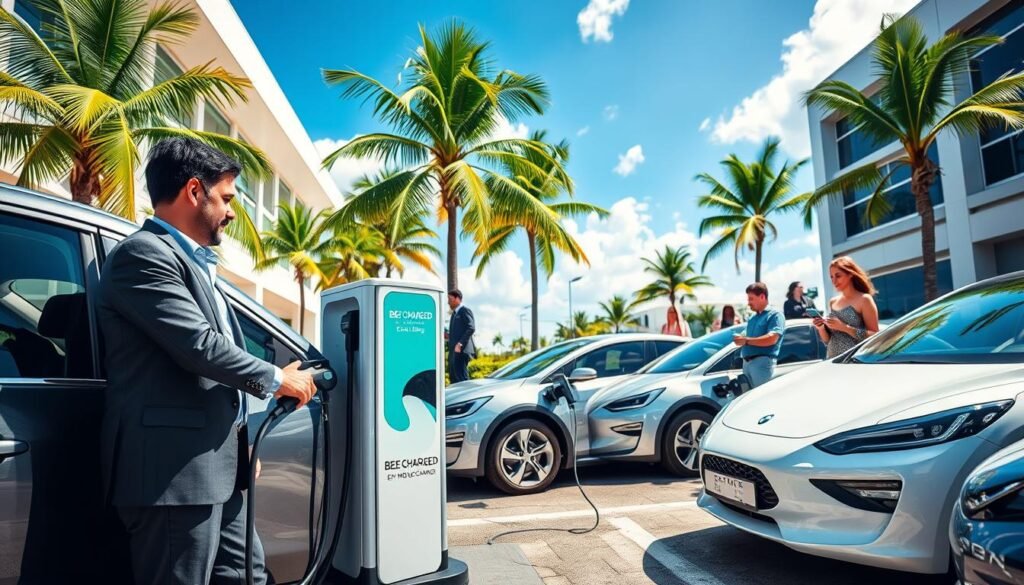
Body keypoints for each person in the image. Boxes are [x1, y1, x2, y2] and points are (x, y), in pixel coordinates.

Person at [98, 138, 316, 584]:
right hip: (173, 479)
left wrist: (237, 447)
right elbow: (199, 346)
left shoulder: (195, 263)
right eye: (227, 198)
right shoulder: (144, 254)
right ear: (195, 191)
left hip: (215, 470)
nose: (232, 212)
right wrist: (277, 377)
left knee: (247, 575)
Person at [814, 256, 880, 358]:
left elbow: (875, 335)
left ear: (850, 274)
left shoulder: (864, 299)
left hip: (854, 360)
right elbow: (828, 340)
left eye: (838, 276)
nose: (834, 281)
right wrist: (821, 328)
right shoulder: (832, 302)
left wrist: (845, 328)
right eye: (831, 277)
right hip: (832, 360)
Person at [732, 283, 784, 388]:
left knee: (763, 397)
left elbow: (772, 338)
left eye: (751, 299)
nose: (748, 303)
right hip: (746, 364)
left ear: (762, 297)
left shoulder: (775, 315)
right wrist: (740, 338)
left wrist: (746, 341)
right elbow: (746, 335)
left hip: (762, 364)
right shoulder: (752, 318)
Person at [447, 289, 477, 383]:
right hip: (454, 352)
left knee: (462, 379)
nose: (448, 302)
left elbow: (471, 327)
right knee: (454, 378)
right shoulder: (454, 314)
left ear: (457, 299)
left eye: (450, 299)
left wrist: (460, 344)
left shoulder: (465, 311)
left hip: (462, 350)